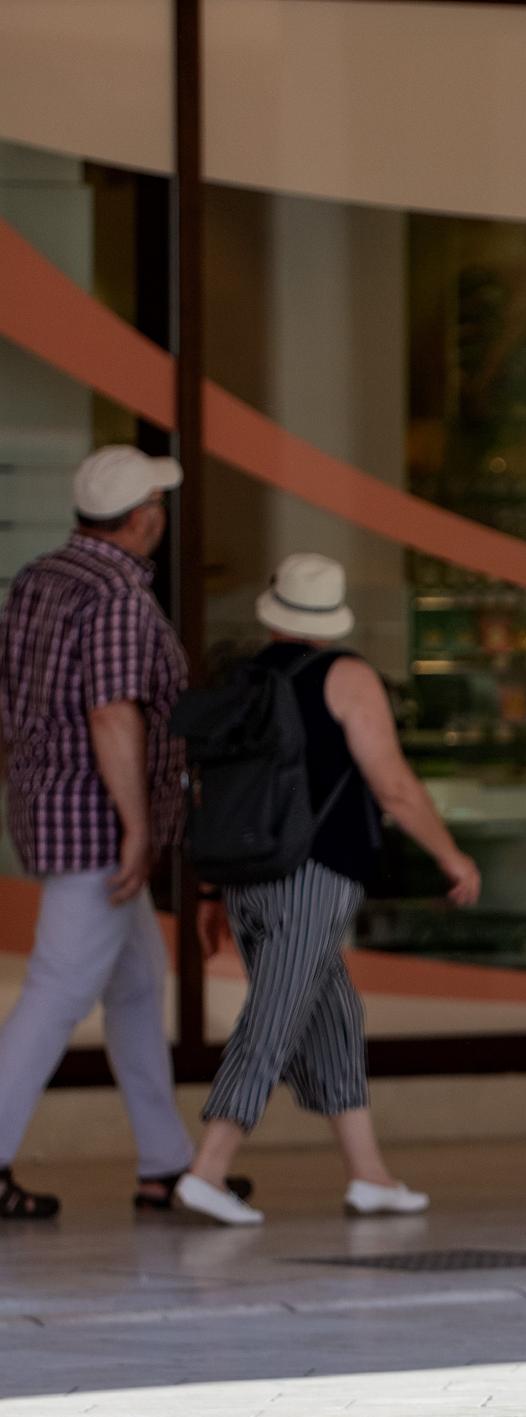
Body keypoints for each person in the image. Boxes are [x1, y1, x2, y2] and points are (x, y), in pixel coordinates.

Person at [178, 553, 481, 1227]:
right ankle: (208, 1169)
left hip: (245, 875)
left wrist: (206, 893)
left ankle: (368, 1175)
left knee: (333, 1018)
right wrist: (450, 855)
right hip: (310, 877)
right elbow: (393, 786)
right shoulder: (345, 677)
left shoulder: (246, 678)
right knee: (276, 1016)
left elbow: (214, 790)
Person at [0, 445, 238, 1220]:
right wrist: (138, 830)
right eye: (157, 508)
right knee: (57, 992)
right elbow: (112, 712)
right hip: (97, 826)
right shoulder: (116, 595)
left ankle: (164, 1163)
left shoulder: (41, 576)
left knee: (137, 987)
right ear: (142, 520)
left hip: (51, 808)